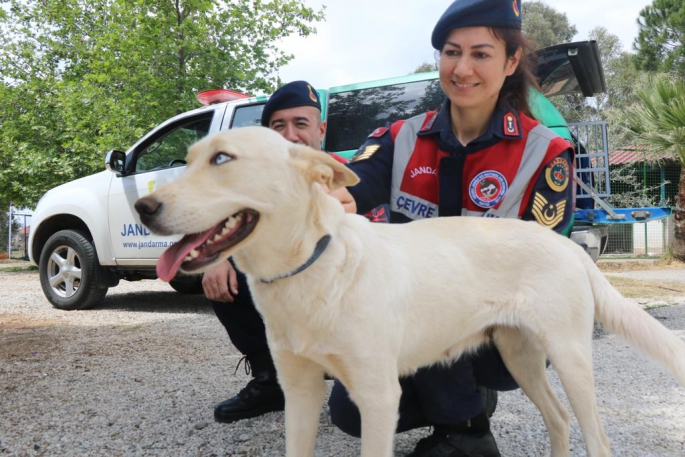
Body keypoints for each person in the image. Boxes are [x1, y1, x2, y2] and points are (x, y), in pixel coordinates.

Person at [326, 0, 575, 456]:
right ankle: (453, 402)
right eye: (450, 52)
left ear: (511, 61)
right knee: (349, 411)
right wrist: (334, 200)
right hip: (412, 319)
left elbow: (546, 267)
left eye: (481, 54)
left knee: (436, 293)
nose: (462, 68)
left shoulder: (545, 151)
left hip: (501, 326)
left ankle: (466, 430)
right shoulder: (398, 137)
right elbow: (352, 189)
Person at [204, 80, 356, 424]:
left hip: (348, 304)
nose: (290, 135)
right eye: (278, 126)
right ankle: (273, 380)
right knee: (226, 274)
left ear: (320, 129)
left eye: (300, 124)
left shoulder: (344, 176)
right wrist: (222, 258)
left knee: (354, 415)